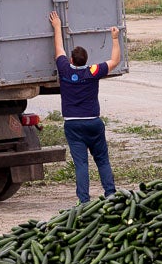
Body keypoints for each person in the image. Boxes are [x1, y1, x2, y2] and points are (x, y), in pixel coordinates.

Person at [50, 10, 120, 203]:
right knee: (102, 160)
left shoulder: (64, 69)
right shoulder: (93, 71)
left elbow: (58, 48)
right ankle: (110, 193)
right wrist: (115, 38)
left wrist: (57, 26)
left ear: (71, 60)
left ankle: (84, 201)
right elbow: (115, 61)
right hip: (93, 123)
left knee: (81, 164)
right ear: (86, 60)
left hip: (73, 125)